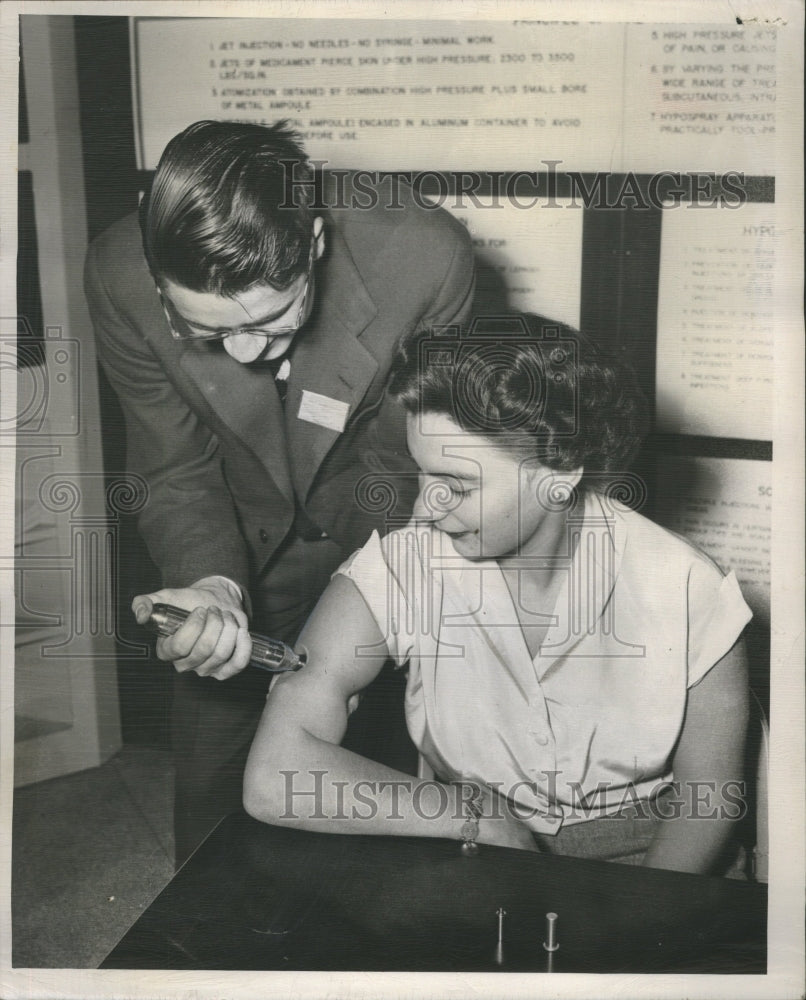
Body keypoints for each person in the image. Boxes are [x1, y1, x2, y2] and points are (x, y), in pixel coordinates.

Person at [84, 120, 474, 864]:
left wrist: (355, 624)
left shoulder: (424, 257)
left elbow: (406, 462)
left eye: (268, 321)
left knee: (388, 786)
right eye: (203, 328)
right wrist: (210, 584)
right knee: (214, 784)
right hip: (234, 533)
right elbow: (173, 467)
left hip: (379, 530)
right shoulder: (117, 275)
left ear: (314, 245)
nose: (241, 352)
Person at [243, 315, 753, 875]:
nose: (426, 507)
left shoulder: (686, 587)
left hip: (659, 862)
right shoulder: (402, 566)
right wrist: (475, 813)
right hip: (469, 846)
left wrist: (635, 929)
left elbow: (709, 802)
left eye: (457, 485)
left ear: (559, 472)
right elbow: (274, 777)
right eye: (421, 472)